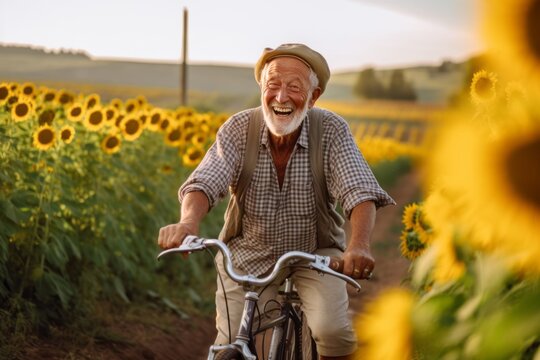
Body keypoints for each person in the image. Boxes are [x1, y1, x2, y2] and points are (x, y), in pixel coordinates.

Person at [158, 43, 395, 360]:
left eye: (294, 88)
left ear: (314, 97)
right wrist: (188, 222)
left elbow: (359, 191)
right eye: (273, 85)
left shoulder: (332, 130)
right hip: (247, 254)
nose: (281, 97)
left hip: (315, 254)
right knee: (232, 342)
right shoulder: (239, 129)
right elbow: (204, 181)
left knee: (332, 331)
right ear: (262, 88)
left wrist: (359, 245)